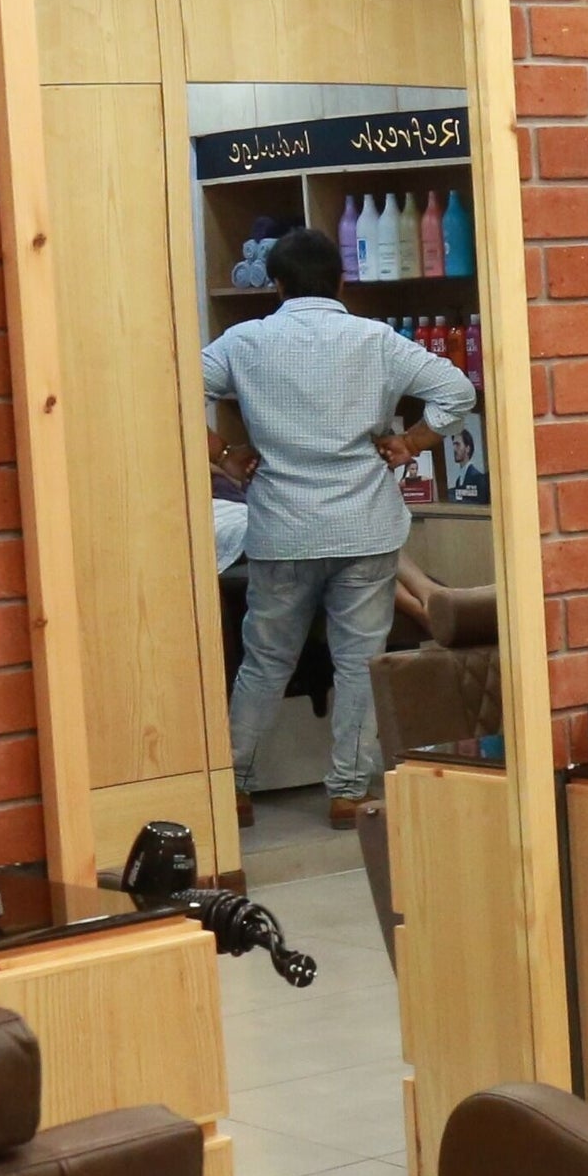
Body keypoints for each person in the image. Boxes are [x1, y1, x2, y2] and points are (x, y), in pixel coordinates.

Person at [204, 223, 475, 828]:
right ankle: (349, 792)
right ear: (342, 279)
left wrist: (223, 454)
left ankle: (234, 784)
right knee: (359, 661)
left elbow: (167, 392)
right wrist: (409, 441)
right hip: (364, 528)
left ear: (273, 283)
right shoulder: (375, 340)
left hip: (281, 530)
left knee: (265, 660)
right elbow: (456, 393)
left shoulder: (243, 342)